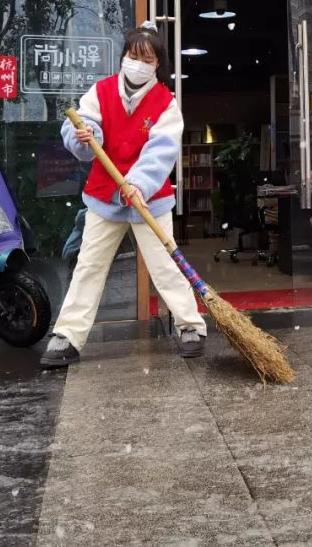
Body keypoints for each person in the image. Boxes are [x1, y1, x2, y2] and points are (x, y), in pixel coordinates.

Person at [40, 23, 207, 368]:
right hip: (105, 196)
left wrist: (138, 184)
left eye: (146, 58)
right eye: (133, 55)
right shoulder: (99, 92)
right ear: (123, 57)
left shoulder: (166, 102)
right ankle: (68, 335)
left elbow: (162, 150)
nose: (138, 63)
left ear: (157, 64)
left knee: (165, 266)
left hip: (148, 196)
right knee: (89, 265)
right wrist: (86, 137)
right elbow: (82, 128)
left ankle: (190, 326)